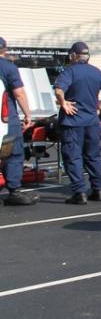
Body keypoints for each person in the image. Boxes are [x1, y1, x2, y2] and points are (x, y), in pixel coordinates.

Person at [54, 42, 101, 204]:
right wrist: (100, 108)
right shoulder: (95, 72)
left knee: (73, 157)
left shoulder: (70, 71)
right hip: (92, 122)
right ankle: (98, 190)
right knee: (93, 156)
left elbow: (59, 89)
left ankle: (79, 192)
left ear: (73, 55)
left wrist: (64, 103)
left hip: (73, 123)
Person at [0, 37, 37, 206]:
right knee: (10, 153)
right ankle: (14, 191)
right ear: (4, 50)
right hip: (5, 122)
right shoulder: (8, 67)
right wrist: (27, 115)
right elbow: (19, 93)